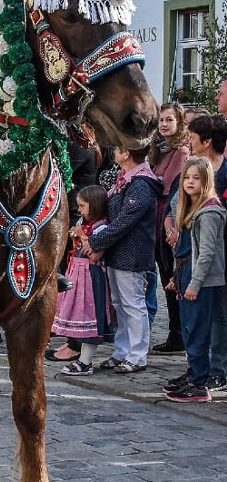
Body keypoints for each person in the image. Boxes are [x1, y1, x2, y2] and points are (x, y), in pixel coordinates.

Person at [80, 146, 163, 374]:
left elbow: (125, 220)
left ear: (126, 153)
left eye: (117, 148)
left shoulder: (141, 184)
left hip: (132, 253)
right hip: (117, 252)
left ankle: (137, 355)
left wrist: (96, 242)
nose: (114, 151)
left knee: (133, 304)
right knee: (119, 304)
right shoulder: (124, 180)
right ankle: (122, 351)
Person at [163, 157, 225, 402]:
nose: (189, 182)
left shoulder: (210, 213)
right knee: (189, 328)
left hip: (200, 278)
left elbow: (208, 253)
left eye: (195, 178)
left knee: (198, 330)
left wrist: (194, 283)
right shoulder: (192, 210)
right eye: (187, 177)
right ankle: (193, 373)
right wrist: (176, 278)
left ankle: (200, 382)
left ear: (206, 181)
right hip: (185, 273)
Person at [53, 185, 114, 375]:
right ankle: (81, 358)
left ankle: (86, 361)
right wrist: (76, 237)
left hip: (91, 276)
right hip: (78, 273)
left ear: (94, 206)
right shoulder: (84, 223)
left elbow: (95, 255)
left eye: (82, 206)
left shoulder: (102, 227)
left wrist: (81, 236)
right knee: (79, 316)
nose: (79, 210)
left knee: (90, 316)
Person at [149, 102, 190, 356]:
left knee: (171, 277)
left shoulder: (181, 151)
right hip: (156, 216)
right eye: (161, 120)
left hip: (169, 217)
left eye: (169, 120)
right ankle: (175, 333)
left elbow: (163, 185)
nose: (164, 124)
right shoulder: (160, 150)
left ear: (179, 123)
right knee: (165, 279)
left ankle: (179, 335)